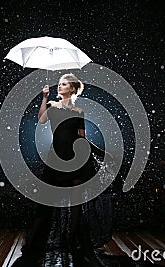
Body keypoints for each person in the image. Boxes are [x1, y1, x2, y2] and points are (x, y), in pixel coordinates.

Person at [12, 73, 113, 267]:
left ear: (73, 89)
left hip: (77, 158)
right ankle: (36, 242)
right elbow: (41, 120)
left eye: (64, 84)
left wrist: (102, 152)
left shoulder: (78, 111)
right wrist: (43, 97)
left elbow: (82, 137)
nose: (60, 86)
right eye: (59, 84)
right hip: (56, 158)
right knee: (47, 202)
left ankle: (72, 240)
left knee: (76, 203)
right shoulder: (52, 106)